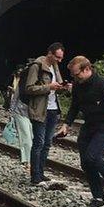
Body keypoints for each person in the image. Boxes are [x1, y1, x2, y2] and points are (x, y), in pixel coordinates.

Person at [56, 56, 104, 207]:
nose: (75, 78)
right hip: (88, 127)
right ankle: (98, 198)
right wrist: (66, 124)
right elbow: (74, 107)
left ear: (87, 69)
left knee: (93, 156)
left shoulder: (103, 84)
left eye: (76, 74)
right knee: (86, 163)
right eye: (73, 75)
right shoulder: (79, 86)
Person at [22, 42, 69, 187]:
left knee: (47, 143)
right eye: (57, 57)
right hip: (39, 109)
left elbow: (57, 87)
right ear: (50, 53)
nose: (59, 60)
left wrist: (64, 87)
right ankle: (35, 176)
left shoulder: (55, 67)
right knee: (39, 142)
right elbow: (29, 88)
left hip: (53, 109)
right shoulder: (37, 66)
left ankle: (41, 173)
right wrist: (48, 87)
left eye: (61, 58)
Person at [7, 66, 34, 172]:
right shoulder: (22, 82)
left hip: (33, 114)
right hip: (20, 112)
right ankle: (27, 161)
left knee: (32, 137)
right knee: (26, 137)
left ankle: (30, 160)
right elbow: (15, 97)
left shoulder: (38, 83)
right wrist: (12, 112)